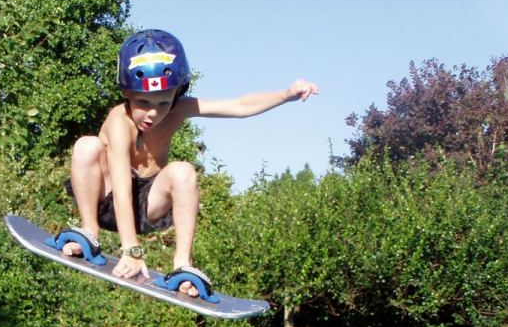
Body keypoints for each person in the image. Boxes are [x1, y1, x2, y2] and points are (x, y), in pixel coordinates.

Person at [57, 28, 318, 298]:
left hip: (148, 206)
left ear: (177, 94)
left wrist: (286, 94)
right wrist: (131, 251)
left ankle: (182, 264)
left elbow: (239, 105)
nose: (153, 113)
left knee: (183, 171)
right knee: (87, 146)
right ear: (127, 93)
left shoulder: (180, 108)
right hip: (108, 197)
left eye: (163, 102)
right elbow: (122, 190)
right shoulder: (119, 122)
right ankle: (89, 231)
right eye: (143, 102)